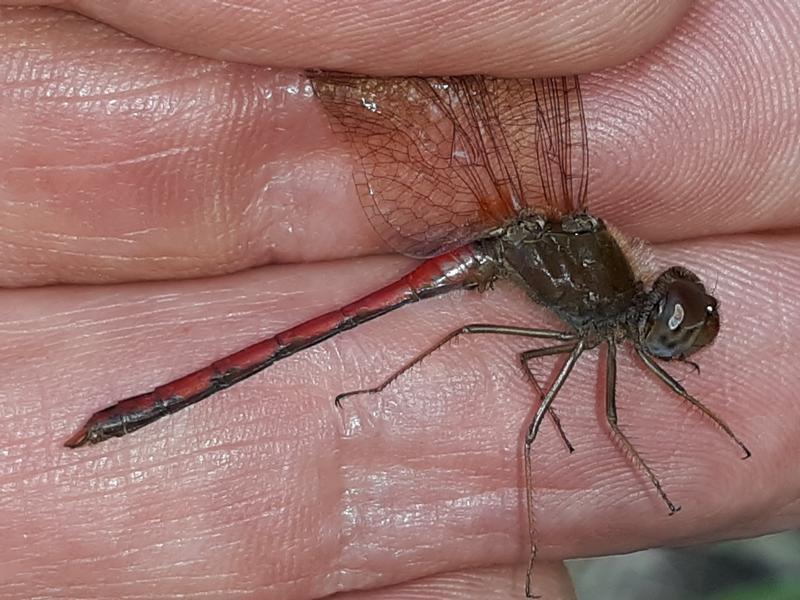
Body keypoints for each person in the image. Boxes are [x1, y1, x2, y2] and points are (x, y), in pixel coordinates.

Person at [0, 0, 797, 598]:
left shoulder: (597, 293)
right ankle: (521, 551)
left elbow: (529, 354)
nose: (667, 333)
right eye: (670, 327)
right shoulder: (602, 300)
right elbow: (606, 409)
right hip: (492, 251)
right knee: (531, 419)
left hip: (511, 252)